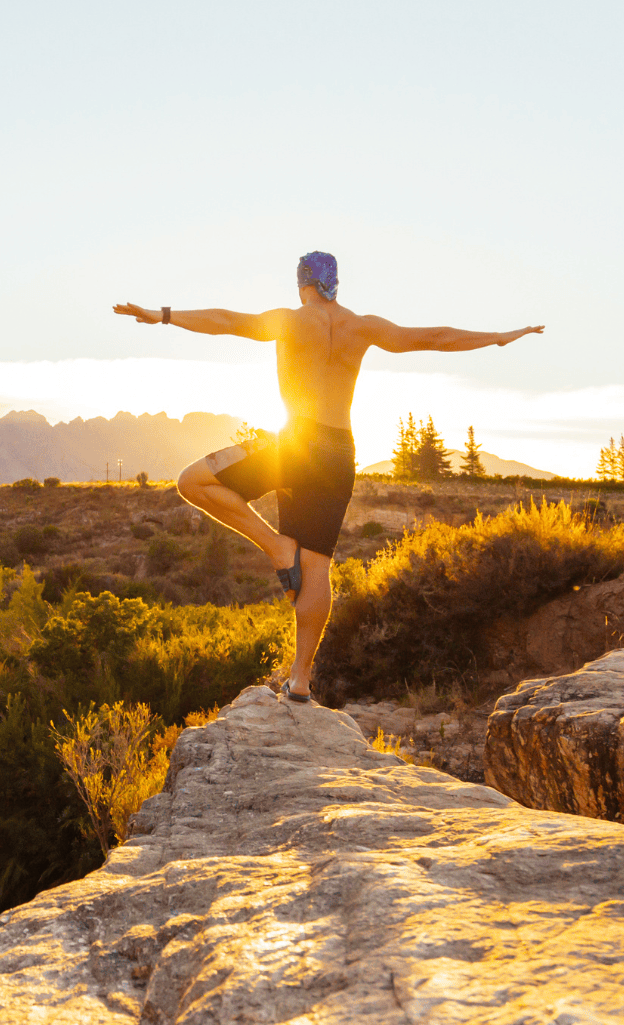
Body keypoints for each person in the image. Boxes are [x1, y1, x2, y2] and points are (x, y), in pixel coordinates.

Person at [113, 252, 543, 704]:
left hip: (295, 443)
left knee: (192, 481)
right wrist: (499, 338)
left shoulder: (290, 320)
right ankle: (301, 680)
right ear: (336, 284)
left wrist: (162, 315)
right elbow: (435, 337)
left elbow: (225, 321)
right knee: (317, 565)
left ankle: (276, 547)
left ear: (303, 284)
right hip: (339, 452)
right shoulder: (364, 327)